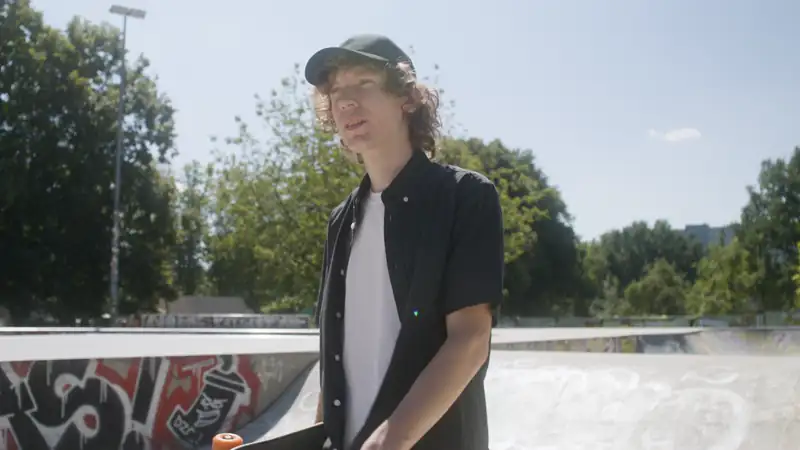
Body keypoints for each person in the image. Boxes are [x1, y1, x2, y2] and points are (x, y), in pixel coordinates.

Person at [306, 34, 504, 450]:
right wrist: (318, 436)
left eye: (364, 83)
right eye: (336, 91)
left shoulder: (465, 197)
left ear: (407, 98)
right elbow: (337, 356)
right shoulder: (341, 221)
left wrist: (391, 439)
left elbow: (471, 339)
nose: (346, 102)